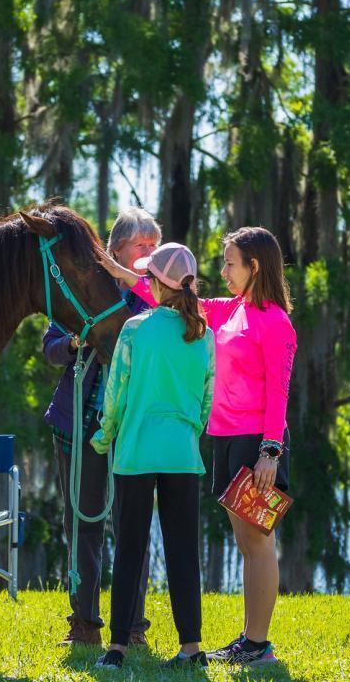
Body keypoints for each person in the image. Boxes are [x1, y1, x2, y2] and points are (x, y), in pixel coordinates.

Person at [103, 226, 296, 667]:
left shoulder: (275, 321)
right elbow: (166, 297)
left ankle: (258, 644)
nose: (223, 271)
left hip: (258, 444)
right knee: (245, 541)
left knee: (259, 540)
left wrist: (271, 450)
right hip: (224, 439)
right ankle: (248, 639)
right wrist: (121, 272)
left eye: (230, 263)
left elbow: (281, 393)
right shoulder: (231, 311)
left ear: (255, 266)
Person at [91, 243, 214, 670]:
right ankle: (192, 647)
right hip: (182, 453)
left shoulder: (135, 330)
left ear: (156, 283)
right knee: (183, 552)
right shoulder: (204, 333)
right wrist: (186, 434)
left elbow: (117, 395)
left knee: (130, 547)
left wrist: (103, 438)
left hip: (136, 452)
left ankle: (118, 646)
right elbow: (205, 401)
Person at [42, 208, 159, 646]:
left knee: (133, 527)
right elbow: (51, 347)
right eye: (140, 246)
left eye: (153, 246)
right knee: (82, 524)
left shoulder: (160, 298)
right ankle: (84, 624)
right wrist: (76, 341)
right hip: (80, 423)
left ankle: (131, 627)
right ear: (115, 252)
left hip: (135, 428)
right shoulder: (85, 289)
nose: (148, 253)